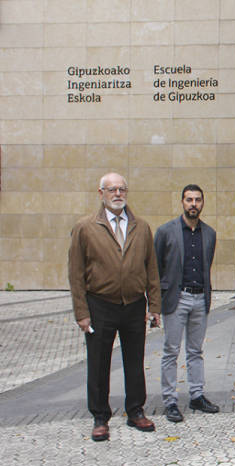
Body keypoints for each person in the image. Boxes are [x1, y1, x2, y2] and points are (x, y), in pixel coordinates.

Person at [68, 172, 161, 442]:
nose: (118, 194)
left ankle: (135, 411)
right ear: (101, 194)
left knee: (134, 361)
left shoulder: (141, 227)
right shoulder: (85, 228)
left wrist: (154, 305)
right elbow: (75, 274)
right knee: (98, 363)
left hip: (133, 305)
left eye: (122, 189)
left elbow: (151, 269)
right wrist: (82, 313)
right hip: (100, 305)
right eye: (112, 190)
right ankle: (100, 417)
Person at [154, 184, 219, 423]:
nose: (194, 204)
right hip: (176, 298)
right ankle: (170, 400)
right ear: (182, 202)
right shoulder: (165, 232)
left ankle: (196, 395)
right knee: (171, 351)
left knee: (195, 351)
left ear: (203, 203)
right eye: (189, 199)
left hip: (200, 298)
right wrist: (154, 304)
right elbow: (156, 268)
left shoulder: (210, 234)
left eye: (198, 200)